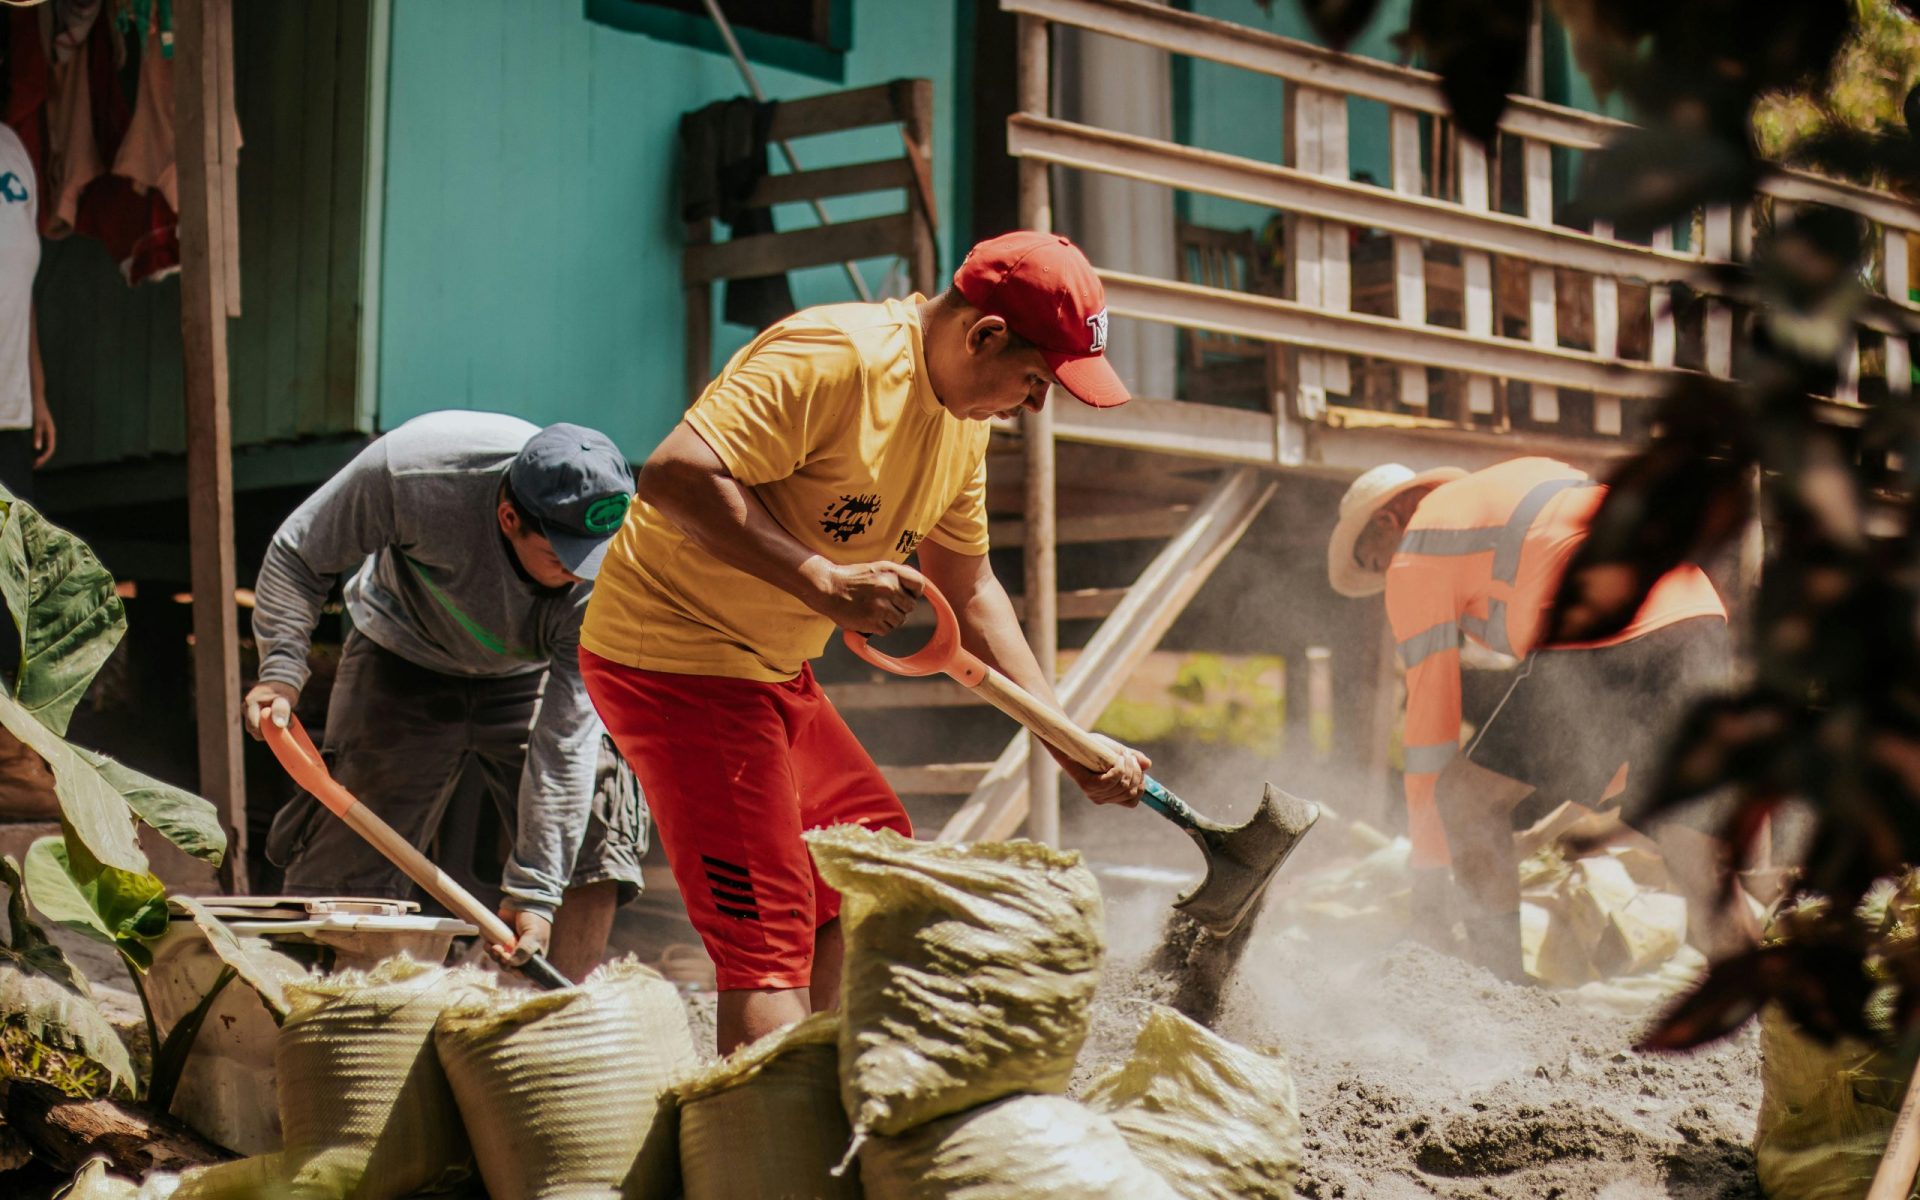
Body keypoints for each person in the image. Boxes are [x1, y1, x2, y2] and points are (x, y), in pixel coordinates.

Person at [582, 231, 1151, 1052]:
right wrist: (817, 577)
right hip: (673, 660)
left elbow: (972, 586)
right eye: (1036, 379)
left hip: (771, 667)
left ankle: (832, 1089)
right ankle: (771, 1152)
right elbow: (672, 474)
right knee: (769, 929)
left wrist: (1059, 731)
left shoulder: (965, 423)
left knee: (872, 863)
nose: (1037, 406)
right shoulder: (832, 358)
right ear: (983, 335)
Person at [247, 411, 646, 981]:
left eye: (595, 557)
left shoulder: (607, 568)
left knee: (593, 831)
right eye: (564, 559)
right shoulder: (415, 473)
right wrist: (281, 670)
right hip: (402, 656)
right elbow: (298, 552)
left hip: (528, 675)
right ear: (510, 518)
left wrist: (535, 894)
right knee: (343, 858)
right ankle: (326, 1021)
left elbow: (566, 741)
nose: (583, 577)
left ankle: (554, 1029)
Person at [1327, 456, 1749, 977]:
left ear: (1388, 522)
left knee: (1463, 799)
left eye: (1375, 563)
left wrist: (1429, 881)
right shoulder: (1520, 478)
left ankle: (1502, 999)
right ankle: (1781, 1027)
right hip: (1695, 611)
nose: (1385, 578)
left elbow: (1430, 728)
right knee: (1697, 859)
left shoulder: (1416, 554)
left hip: (1602, 622)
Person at [0, 121, 55, 498]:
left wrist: (37, 392)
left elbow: (21, 283)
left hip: (11, 413)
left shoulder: (12, 147)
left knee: (6, 553)